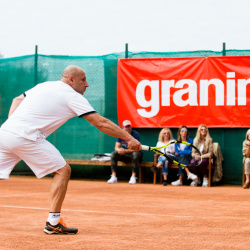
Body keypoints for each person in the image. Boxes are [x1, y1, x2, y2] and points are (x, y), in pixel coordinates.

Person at [0, 65, 141, 235]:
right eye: (83, 79)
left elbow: (16, 99)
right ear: (71, 80)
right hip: (26, 136)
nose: (87, 84)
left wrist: (14, 126)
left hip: (5, 133)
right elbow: (100, 123)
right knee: (62, 170)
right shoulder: (72, 96)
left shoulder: (43, 86)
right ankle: (53, 223)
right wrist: (129, 138)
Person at [107, 120, 143, 184]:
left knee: (136, 154)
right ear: (123, 128)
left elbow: (137, 148)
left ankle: (133, 177)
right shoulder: (120, 135)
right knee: (113, 154)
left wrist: (126, 151)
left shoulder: (135, 134)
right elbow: (116, 147)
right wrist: (119, 150)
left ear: (131, 127)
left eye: (129, 126)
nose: (127, 128)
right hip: (124, 155)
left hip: (133, 154)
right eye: (126, 127)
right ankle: (114, 176)